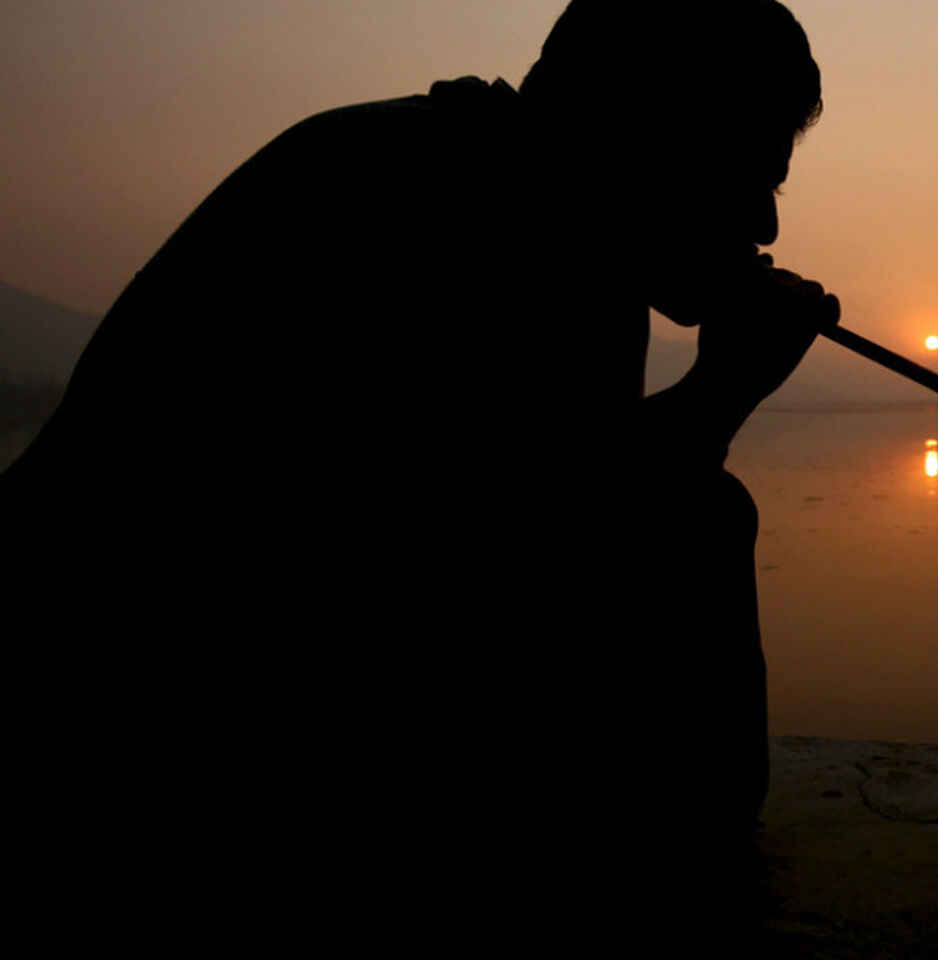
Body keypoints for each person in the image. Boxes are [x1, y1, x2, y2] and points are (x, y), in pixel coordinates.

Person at [4, 0, 835, 946]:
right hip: (120, 721)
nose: (766, 221)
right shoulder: (474, 222)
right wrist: (718, 395)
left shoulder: (507, 198)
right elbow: (511, 567)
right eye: (750, 175)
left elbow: (549, 497)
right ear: (653, 138)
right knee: (696, 523)